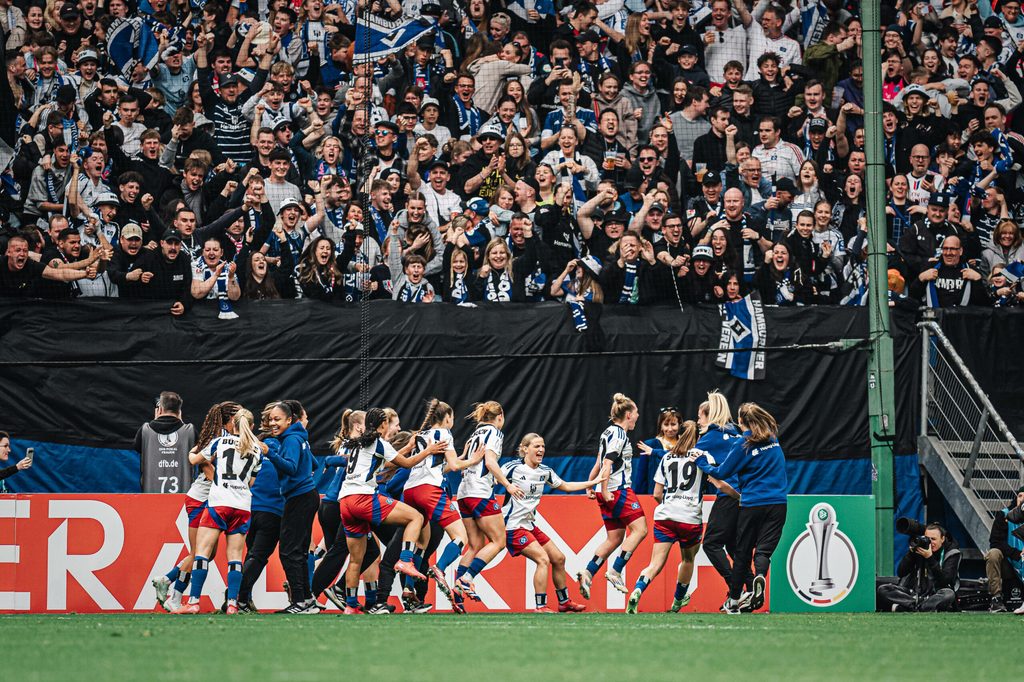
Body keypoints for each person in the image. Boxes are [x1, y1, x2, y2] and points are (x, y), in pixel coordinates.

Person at [336, 407, 446, 615]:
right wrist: (428, 451)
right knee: (416, 517)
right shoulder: (379, 442)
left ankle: (350, 605)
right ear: (383, 424)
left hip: (345, 502)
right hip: (363, 498)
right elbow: (407, 463)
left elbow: (384, 463)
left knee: (355, 560)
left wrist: (407, 447)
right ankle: (405, 560)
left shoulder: (357, 442)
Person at [693, 402, 788, 614]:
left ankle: (734, 600)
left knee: (742, 553)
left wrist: (703, 463)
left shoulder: (744, 444)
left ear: (742, 422)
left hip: (752, 503)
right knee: (763, 550)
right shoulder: (773, 440)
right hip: (779, 504)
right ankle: (760, 577)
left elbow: (722, 472)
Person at [174, 406, 264, 615]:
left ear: (232, 424)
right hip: (242, 506)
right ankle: (232, 603)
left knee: (202, 553)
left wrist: (192, 450)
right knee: (235, 557)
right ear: (251, 426)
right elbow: (250, 482)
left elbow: (195, 460)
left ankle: (193, 602)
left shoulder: (220, 442)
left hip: (219, 503)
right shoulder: (257, 450)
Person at [502, 433, 604, 612]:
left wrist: (592, 483)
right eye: (536, 446)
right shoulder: (512, 468)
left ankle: (564, 602)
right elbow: (492, 477)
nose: (541, 450)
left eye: (542, 446)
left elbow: (565, 485)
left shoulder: (545, 471)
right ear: (525, 449)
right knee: (543, 559)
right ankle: (540, 606)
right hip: (513, 527)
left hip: (529, 525)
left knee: (558, 558)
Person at [402, 399, 484, 613]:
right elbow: (455, 466)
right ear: (447, 417)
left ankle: (409, 591)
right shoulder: (444, 434)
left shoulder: (421, 435)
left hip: (410, 490)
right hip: (429, 490)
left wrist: (463, 456)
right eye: (452, 418)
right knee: (461, 537)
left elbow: (442, 467)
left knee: (422, 542)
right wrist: (473, 460)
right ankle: (439, 568)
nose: (452, 422)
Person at [151, 401, 226, 612]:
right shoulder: (216, 439)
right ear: (228, 419)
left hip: (208, 500)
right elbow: (204, 465)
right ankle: (172, 590)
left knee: (206, 554)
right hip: (201, 499)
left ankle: (168, 581)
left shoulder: (218, 438)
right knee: (199, 553)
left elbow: (195, 456)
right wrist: (229, 485)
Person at [627, 420, 705, 614]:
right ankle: (677, 602)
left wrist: (670, 504)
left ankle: (638, 589)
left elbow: (656, 494)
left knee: (655, 564)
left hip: (665, 516)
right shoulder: (703, 457)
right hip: (690, 518)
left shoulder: (667, 457)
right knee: (687, 560)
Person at [578, 393, 648, 598]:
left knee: (615, 537)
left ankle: (588, 572)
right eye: (636, 413)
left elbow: (598, 462)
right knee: (641, 529)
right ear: (628, 415)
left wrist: (591, 485)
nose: (637, 417)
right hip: (617, 490)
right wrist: (606, 489)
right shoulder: (619, 435)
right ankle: (616, 570)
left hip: (604, 490)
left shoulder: (607, 432)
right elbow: (607, 463)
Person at [454, 401, 525, 601]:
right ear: (500, 416)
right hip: (480, 492)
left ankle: (457, 595)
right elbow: (490, 462)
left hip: (464, 493)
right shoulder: (494, 433)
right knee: (499, 541)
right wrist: (507, 484)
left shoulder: (474, 434)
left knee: (475, 545)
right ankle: (466, 578)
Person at [261, 400, 320, 614]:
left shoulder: (291, 439)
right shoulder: (296, 437)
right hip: (306, 495)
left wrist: (269, 452)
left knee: (288, 551)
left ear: (289, 419)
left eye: (277, 419)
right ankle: (306, 599)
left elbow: (291, 468)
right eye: (271, 419)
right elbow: (312, 464)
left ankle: (300, 601)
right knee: (300, 550)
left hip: (300, 497)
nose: (273, 423)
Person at [691, 391, 746, 609]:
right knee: (733, 546)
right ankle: (750, 588)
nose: (698, 421)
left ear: (709, 415)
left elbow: (685, 454)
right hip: (743, 496)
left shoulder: (711, 438)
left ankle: (736, 588)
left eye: (700, 416)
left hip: (727, 495)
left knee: (712, 544)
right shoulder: (736, 435)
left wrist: (657, 453)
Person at [878, 523, 962, 612]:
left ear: (942, 539)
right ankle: (919, 607)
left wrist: (930, 558)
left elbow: (945, 580)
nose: (929, 543)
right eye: (927, 539)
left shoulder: (952, 553)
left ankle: (909, 608)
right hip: (915, 594)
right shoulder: (920, 549)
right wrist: (911, 553)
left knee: (948, 594)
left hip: (936, 594)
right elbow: (901, 572)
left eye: (933, 539)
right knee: (884, 589)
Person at [133, 391, 195, 494]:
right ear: (179, 411)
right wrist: (181, 423)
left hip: (151, 497)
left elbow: (137, 447)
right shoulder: (190, 431)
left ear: (160, 409)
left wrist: (156, 421)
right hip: (183, 500)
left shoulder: (145, 430)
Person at [985, 487, 1024, 613]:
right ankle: (996, 599)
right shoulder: (1004, 514)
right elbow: (995, 542)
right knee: (993, 554)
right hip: (1009, 561)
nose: (1022, 500)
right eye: (1020, 496)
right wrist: (1016, 554)